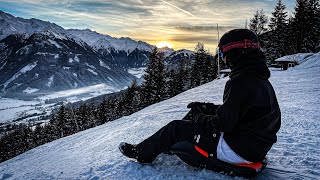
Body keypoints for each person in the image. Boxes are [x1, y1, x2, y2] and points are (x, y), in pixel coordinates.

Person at [119, 29, 281, 176]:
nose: (223, 59)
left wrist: (198, 116)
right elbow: (243, 112)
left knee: (175, 127)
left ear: (236, 52)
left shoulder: (240, 81)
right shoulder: (259, 80)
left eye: (223, 53)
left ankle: (141, 153)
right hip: (253, 148)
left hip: (237, 150)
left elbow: (224, 124)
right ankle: (169, 143)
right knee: (195, 117)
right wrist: (208, 108)